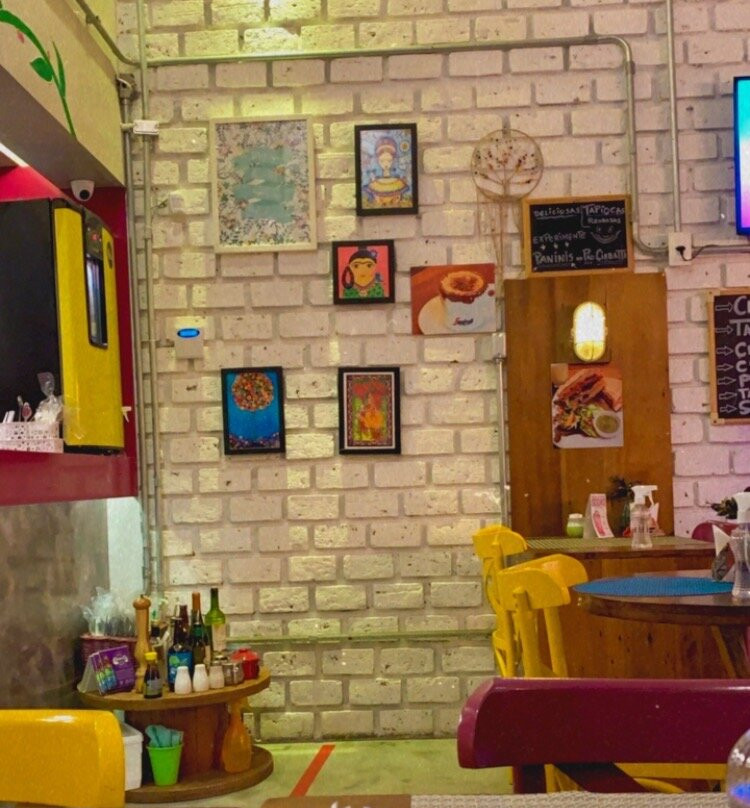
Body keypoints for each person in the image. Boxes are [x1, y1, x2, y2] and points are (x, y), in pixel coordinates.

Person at [364, 136, 408, 207]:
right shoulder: (376, 181)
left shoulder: (396, 180)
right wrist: (373, 179)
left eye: (389, 160)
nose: (386, 164)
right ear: (378, 160)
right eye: (382, 161)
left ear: (393, 160)